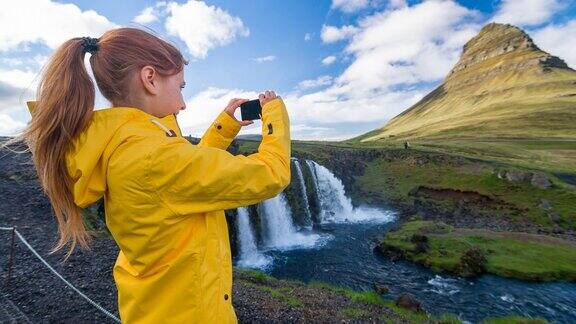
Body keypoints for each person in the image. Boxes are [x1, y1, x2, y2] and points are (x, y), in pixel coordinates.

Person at [2, 27, 291, 323]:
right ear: (150, 78)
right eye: (181, 87)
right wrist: (275, 114)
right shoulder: (155, 158)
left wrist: (224, 128)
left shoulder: (126, 147)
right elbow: (272, 173)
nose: (183, 102)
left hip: (154, 309)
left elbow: (186, 179)